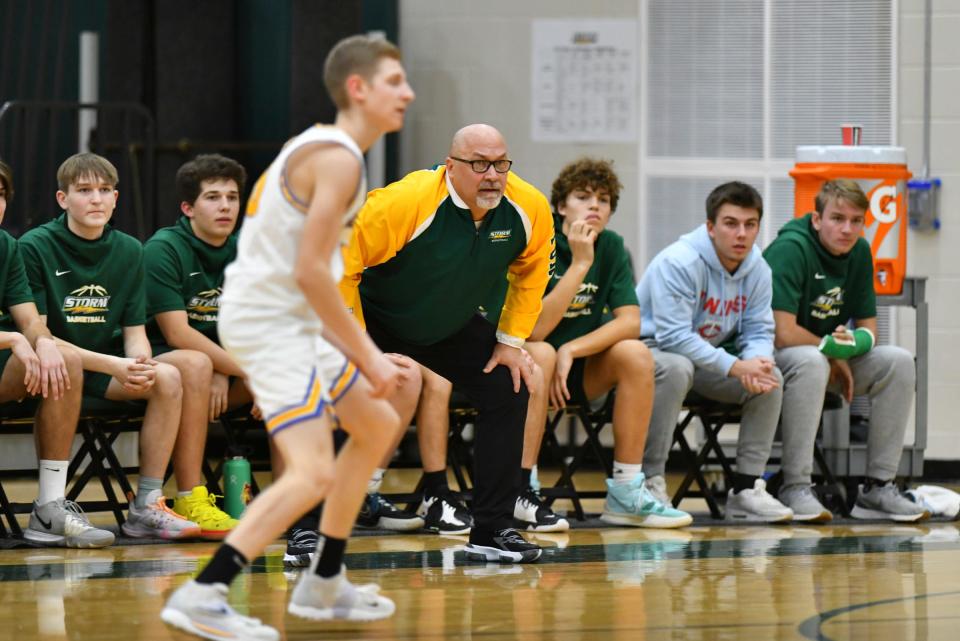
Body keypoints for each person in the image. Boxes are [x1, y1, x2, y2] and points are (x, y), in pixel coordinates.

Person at [162, 34, 418, 641]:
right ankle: (204, 592)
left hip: (295, 317)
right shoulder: (338, 159)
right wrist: (367, 354)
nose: (407, 92)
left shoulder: (323, 146)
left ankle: (325, 578)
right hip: (273, 322)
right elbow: (308, 271)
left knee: (377, 425)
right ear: (358, 89)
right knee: (311, 471)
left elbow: (313, 272)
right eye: (393, 81)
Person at [417, 158, 692, 531]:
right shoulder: (538, 239)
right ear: (561, 206)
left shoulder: (610, 246)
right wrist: (579, 265)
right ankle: (521, 484)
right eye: (583, 197)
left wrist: (573, 350)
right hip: (529, 362)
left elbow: (631, 322)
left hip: (576, 370)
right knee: (541, 352)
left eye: (604, 199)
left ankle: (626, 490)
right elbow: (536, 330)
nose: (595, 205)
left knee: (636, 354)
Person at [340, 123, 555, 562]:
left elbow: (532, 272)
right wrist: (356, 348)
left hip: (444, 324)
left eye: (500, 163)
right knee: (332, 390)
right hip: (374, 318)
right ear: (451, 166)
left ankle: (492, 531)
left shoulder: (528, 206)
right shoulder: (406, 201)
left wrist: (510, 343)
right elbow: (340, 264)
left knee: (507, 384)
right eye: (479, 164)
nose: (493, 174)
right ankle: (309, 532)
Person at [18, 153, 201, 540]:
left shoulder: (130, 249)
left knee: (166, 377)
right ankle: (50, 507)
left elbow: (134, 330)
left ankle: (147, 505)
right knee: (62, 361)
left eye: (104, 191)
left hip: (103, 366)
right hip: (49, 367)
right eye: (84, 191)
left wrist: (139, 361)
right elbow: (42, 337)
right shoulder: (35, 245)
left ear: (116, 199)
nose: (96, 199)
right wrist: (114, 365)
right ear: (62, 198)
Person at [763, 179, 927, 522]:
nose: (847, 229)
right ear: (816, 219)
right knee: (811, 361)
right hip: (776, 360)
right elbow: (783, 332)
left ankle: (877, 489)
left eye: (856, 220)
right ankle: (794, 486)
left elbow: (868, 329)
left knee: (897, 362)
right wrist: (832, 351)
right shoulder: (791, 249)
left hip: (825, 358)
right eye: (837, 218)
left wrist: (850, 345)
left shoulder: (860, 252)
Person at [636, 181, 793, 523]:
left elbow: (758, 329)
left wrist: (759, 361)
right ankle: (648, 483)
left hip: (704, 363)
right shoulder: (679, 262)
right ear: (710, 227)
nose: (741, 234)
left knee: (771, 378)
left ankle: (747, 489)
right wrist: (737, 366)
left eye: (750, 225)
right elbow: (673, 336)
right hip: (649, 356)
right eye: (730, 223)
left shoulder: (758, 269)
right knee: (677, 367)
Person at [143, 153, 258, 538]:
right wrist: (233, 368)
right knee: (194, 363)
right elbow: (177, 333)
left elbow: (257, 323)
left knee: (293, 374)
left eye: (232, 197)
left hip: (222, 364)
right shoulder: (165, 248)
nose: (225, 206)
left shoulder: (248, 249)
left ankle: (297, 506)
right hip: (164, 366)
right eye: (212, 197)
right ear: (188, 207)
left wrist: (230, 371)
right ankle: (191, 496)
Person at [0, 159, 113, 548]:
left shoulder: (7, 247)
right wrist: (13, 340)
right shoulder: (35, 245)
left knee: (64, 358)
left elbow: (29, 319)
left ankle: (48, 508)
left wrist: (42, 341)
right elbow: (17, 335)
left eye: (0, 195)